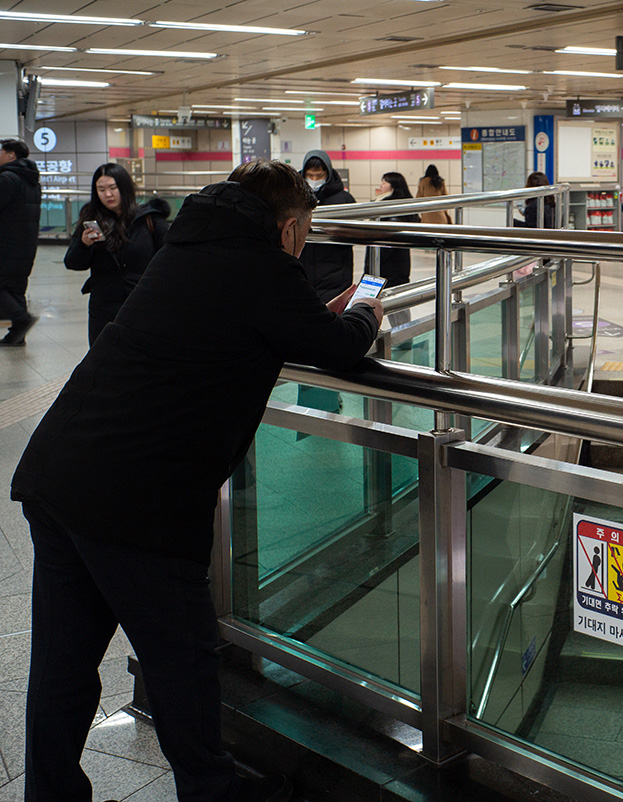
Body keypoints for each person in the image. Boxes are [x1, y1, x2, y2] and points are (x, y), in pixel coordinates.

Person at [11, 160, 383, 802]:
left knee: (63, 664)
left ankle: (50, 793)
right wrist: (368, 311)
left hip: (62, 471)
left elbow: (244, 321)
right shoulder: (263, 264)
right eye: (307, 231)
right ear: (290, 227)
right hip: (138, 503)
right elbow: (338, 345)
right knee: (182, 659)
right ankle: (212, 794)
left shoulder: (187, 246)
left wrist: (305, 316)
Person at [64, 163, 170, 345]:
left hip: (142, 303)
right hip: (104, 305)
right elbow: (73, 263)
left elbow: (169, 257)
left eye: (113, 188)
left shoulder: (149, 218)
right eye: (101, 189)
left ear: (124, 187)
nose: (108, 195)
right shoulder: (91, 218)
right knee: (103, 358)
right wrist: (83, 244)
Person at [297, 150, 356, 303]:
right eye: (310, 176)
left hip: (335, 276)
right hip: (301, 273)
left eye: (319, 176)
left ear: (328, 174)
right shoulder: (295, 198)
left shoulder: (344, 200)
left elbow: (355, 233)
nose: (314, 180)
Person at [0, 138, 41, 346]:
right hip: (26, 244)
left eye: (1, 152)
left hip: (6, 244)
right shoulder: (31, 180)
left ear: (11, 155)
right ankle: (17, 336)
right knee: (16, 288)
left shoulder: (7, 178)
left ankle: (22, 319)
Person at [374, 171, 419, 287]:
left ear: (393, 186)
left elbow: (387, 240)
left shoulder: (390, 208)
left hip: (387, 265)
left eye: (384, 183)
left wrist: (375, 259)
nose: (381, 186)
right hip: (399, 265)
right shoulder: (403, 206)